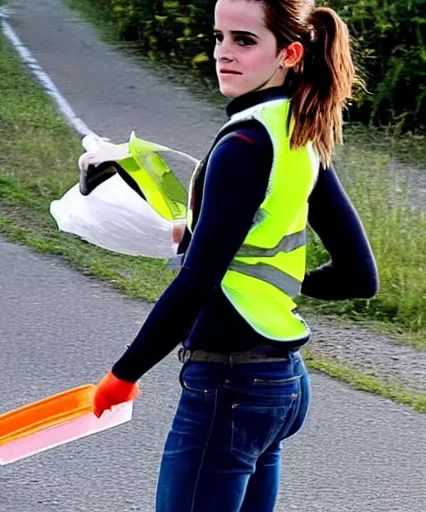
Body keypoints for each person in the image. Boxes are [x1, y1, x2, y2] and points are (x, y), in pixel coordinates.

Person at [92, 0, 379, 510]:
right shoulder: (300, 136)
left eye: (244, 40)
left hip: (230, 386)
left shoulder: (244, 144)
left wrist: (124, 374)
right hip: (281, 386)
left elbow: (196, 283)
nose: (224, 52)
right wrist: (258, 271)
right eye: (220, 36)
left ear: (289, 53)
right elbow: (358, 275)